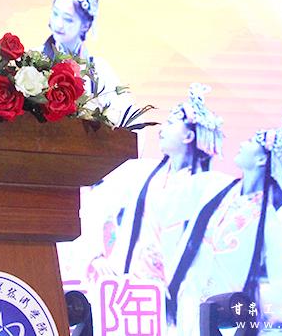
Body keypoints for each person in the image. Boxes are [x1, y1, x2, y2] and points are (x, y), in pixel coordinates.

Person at [166, 109, 282, 335]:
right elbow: (163, 210)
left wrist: (248, 299)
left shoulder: (267, 220)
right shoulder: (214, 186)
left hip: (222, 321)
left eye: (251, 141)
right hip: (182, 308)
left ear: (261, 159)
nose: (242, 143)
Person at [73, 83, 227, 283]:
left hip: (184, 285)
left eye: (170, 122)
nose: (162, 129)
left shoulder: (211, 186)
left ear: (189, 136)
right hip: (131, 282)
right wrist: (97, 255)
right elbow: (97, 206)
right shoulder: (138, 172)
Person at [41, 0, 132, 126]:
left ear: (85, 25)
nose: (58, 24)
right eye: (55, 14)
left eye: (67, 19)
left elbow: (127, 120)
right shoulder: (34, 60)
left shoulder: (100, 71)